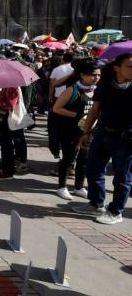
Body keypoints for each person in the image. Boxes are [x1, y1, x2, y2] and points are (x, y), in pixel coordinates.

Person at [73, 53, 132, 225]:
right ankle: (96, 203)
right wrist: (86, 132)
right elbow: (94, 110)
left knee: (122, 176)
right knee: (93, 169)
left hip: (125, 138)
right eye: (129, 66)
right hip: (102, 133)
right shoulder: (105, 85)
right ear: (117, 68)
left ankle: (115, 211)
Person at [52, 58, 99, 200]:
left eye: (98, 75)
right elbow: (56, 108)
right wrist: (77, 115)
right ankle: (62, 187)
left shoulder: (97, 91)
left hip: (88, 132)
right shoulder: (72, 90)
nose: (96, 78)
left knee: (84, 160)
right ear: (82, 75)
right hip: (70, 131)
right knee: (69, 159)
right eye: (93, 75)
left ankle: (79, 187)